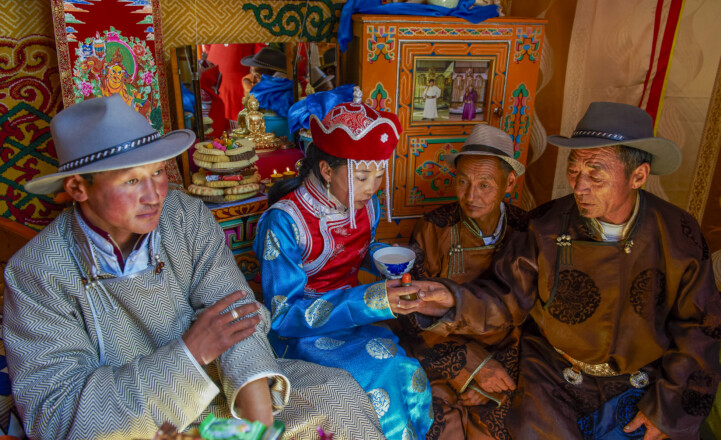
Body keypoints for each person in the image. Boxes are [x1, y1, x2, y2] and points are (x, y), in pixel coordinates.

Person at [2, 94, 384, 440]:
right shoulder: (37, 272)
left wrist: (257, 421)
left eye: (157, 172)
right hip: (134, 423)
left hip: (219, 393)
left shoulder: (184, 216)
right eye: (132, 180)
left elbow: (236, 310)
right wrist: (190, 352)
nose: (154, 195)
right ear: (78, 189)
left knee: (338, 397)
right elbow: (56, 417)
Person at [414, 102, 721, 439]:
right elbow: (506, 295)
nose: (579, 186)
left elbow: (702, 327)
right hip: (554, 375)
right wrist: (451, 298)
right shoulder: (544, 226)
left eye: (595, 173)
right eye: (574, 169)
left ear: (638, 176)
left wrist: (668, 407)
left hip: (643, 377)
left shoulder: (678, 234)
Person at [253, 89, 434, 440]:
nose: (372, 188)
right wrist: (372, 299)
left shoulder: (366, 205)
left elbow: (355, 248)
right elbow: (283, 314)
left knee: (406, 370)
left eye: (378, 175)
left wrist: (384, 259)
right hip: (302, 333)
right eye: (362, 176)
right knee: (380, 376)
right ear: (325, 169)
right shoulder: (285, 221)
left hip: (354, 320)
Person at [397, 124, 526, 440]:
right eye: (463, 182)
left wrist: (494, 371)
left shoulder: (526, 230)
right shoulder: (433, 227)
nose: (471, 196)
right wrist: (468, 369)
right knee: (440, 423)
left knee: (499, 429)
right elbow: (413, 314)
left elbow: (530, 312)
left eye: (485, 185)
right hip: (442, 356)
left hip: (506, 360)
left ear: (509, 183)